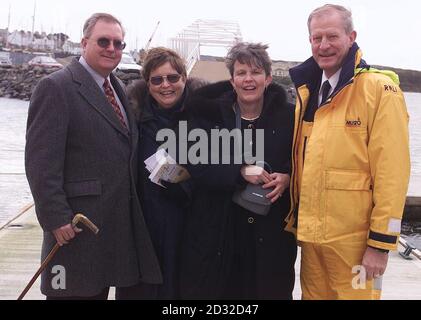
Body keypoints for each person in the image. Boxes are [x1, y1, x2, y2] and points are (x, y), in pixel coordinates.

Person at [25, 13, 162, 300]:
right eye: (104, 41)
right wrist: (55, 218)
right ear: (84, 42)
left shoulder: (118, 89)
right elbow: (40, 162)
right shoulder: (56, 87)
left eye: (118, 43)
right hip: (75, 228)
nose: (112, 49)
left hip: (112, 228)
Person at [286, 4, 410, 300]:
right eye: (317, 38)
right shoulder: (309, 93)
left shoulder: (379, 91)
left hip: (357, 247)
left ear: (351, 36)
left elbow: (393, 174)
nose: (324, 45)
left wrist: (380, 245)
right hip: (313, 243)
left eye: (332, 36)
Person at [180, 42, 297, 299]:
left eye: (255, 72)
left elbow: (306, 160)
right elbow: (196, 166)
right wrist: (238, 172)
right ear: (232, 81)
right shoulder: (208, 115)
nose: (248, 79)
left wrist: (289, 179)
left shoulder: (290, 116)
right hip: (220, 229)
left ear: (267, 78)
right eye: (241, 73)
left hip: (271, 233)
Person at [126, 47, 205, 299]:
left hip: (188, 224)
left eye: (172, 78)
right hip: (143, 225)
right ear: (147, 84)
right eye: (157, 80)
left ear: (184, 78)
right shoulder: (133, 119)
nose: (165, 85)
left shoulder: (204, 118)